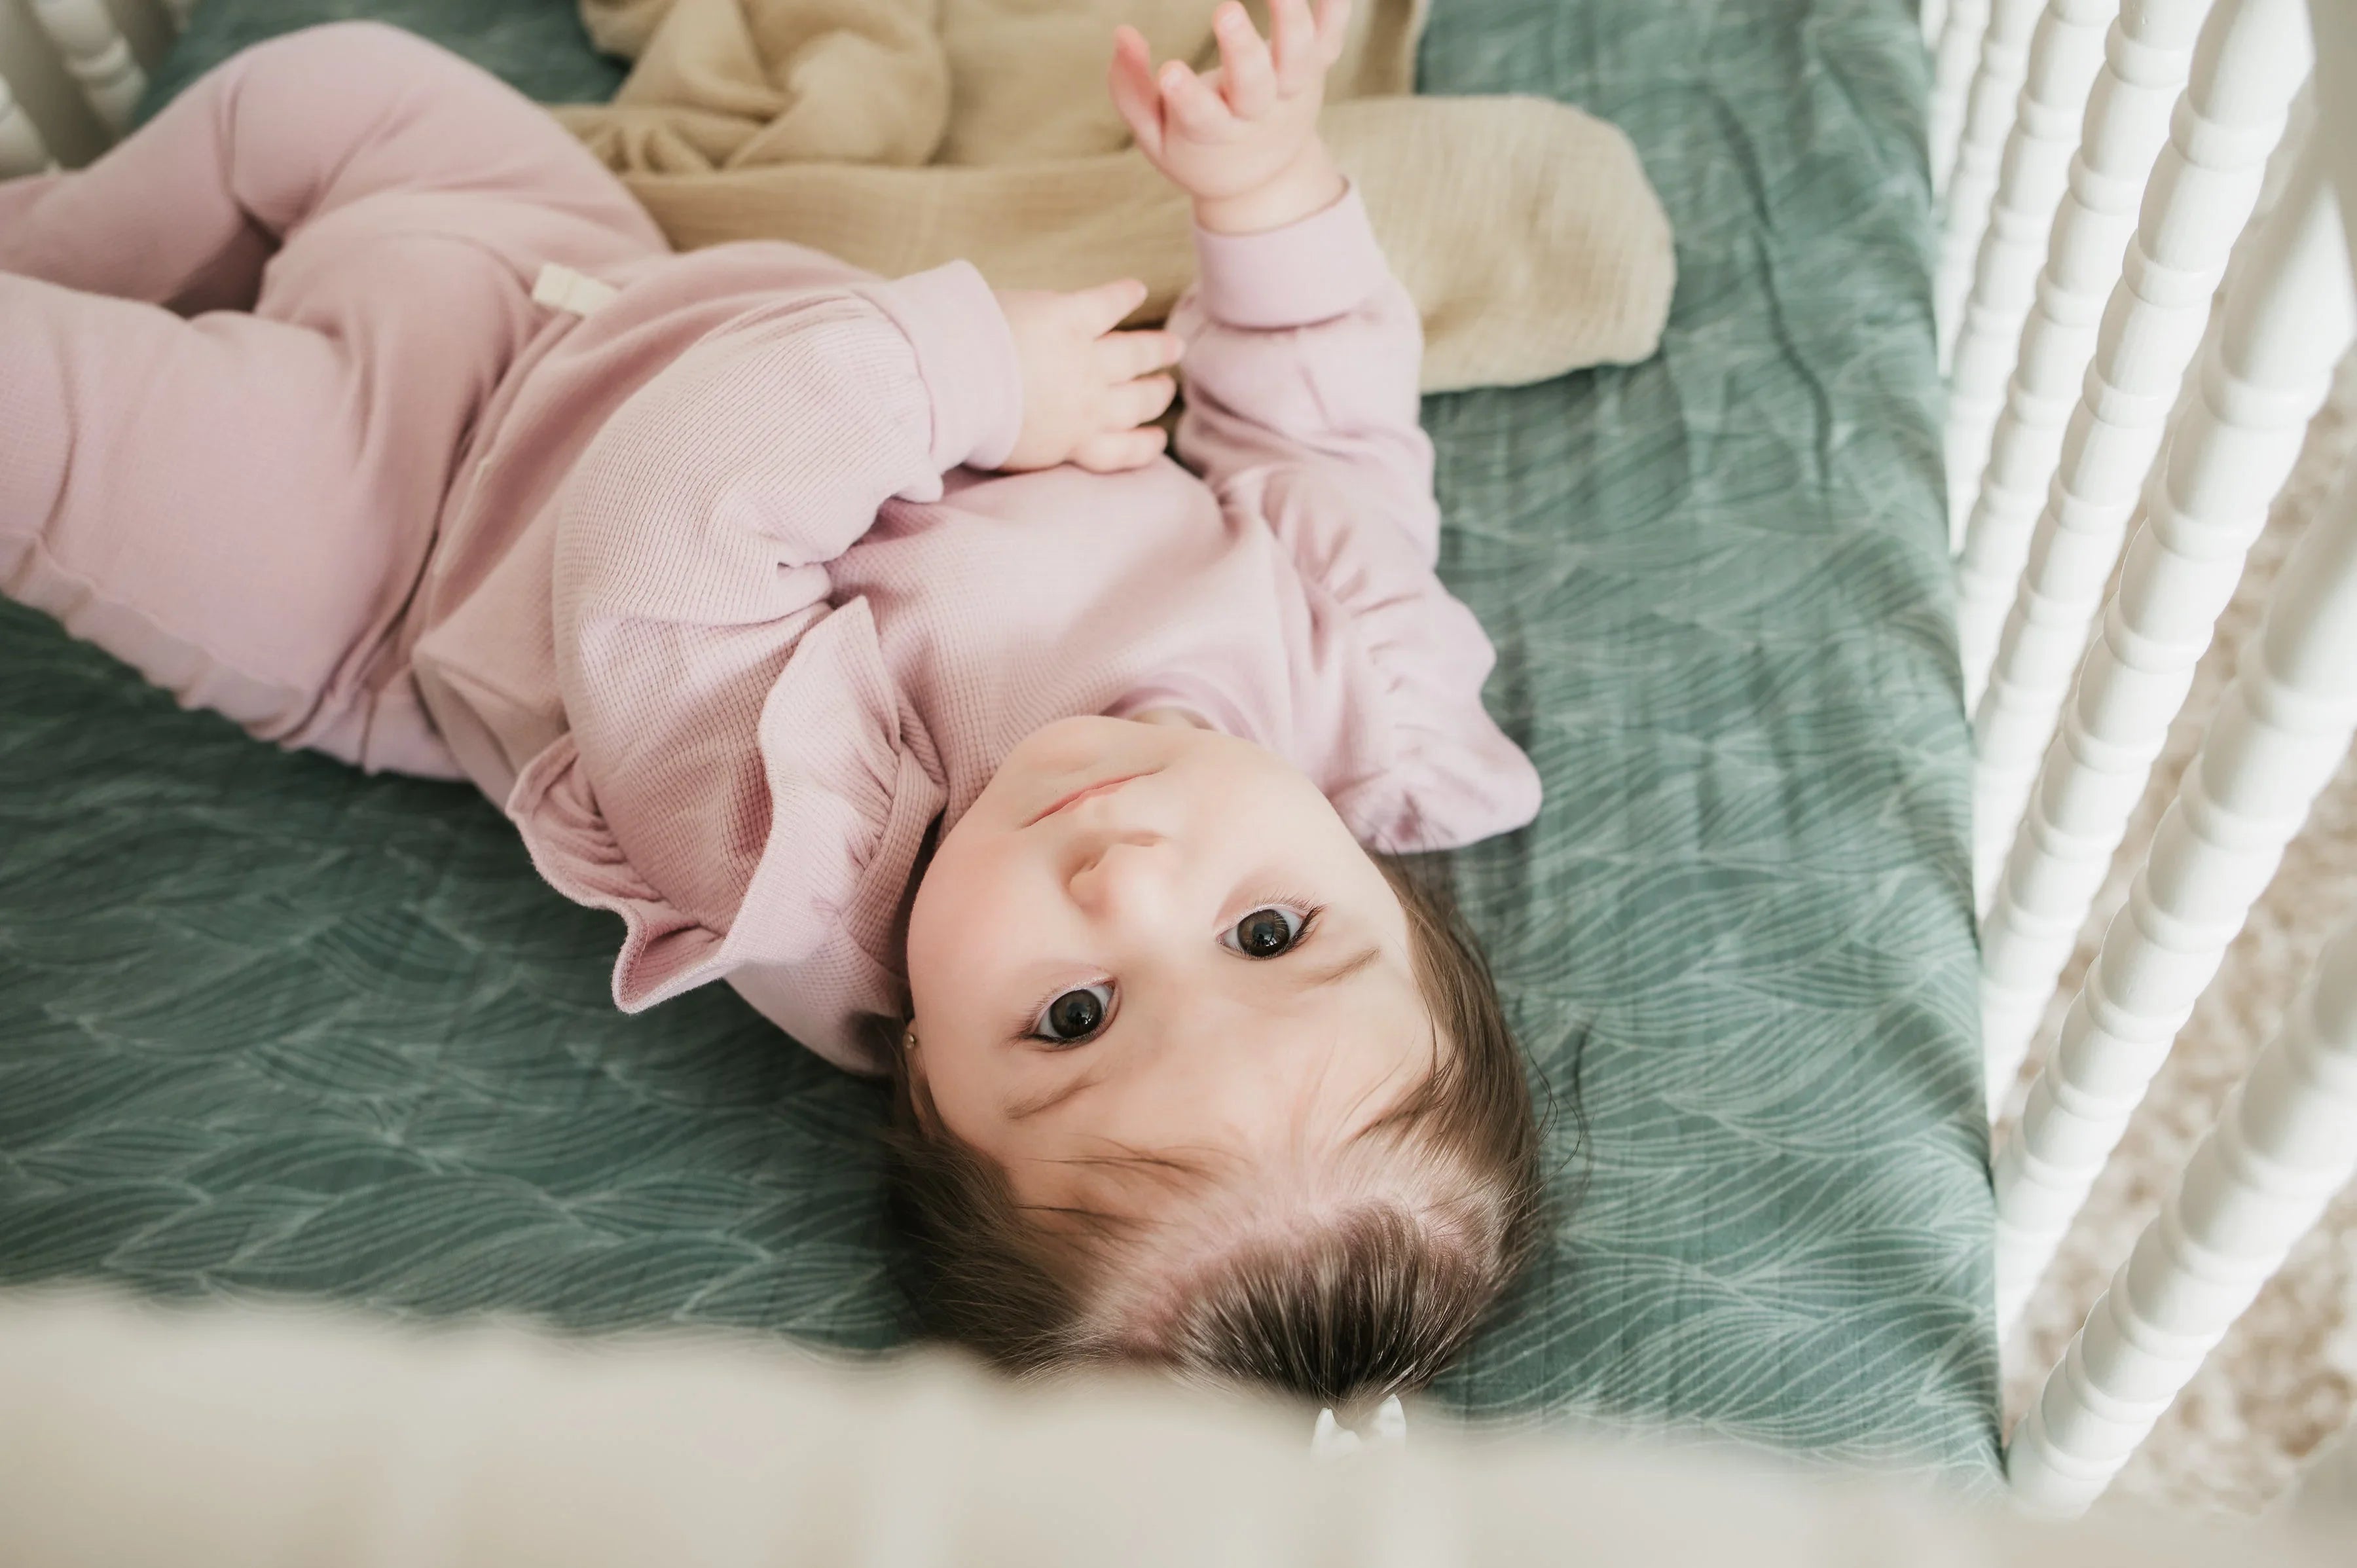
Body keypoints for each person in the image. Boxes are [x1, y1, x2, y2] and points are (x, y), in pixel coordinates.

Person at [0, 0, 1550, 1410]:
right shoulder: (1359, 680)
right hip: (588, 276)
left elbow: (660, 529)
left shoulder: (803, 863)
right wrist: (1262, 190)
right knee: (318, 89)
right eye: (1269, 936)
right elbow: (1327, 432)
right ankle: (50, 231)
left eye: (1074, 1016)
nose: (1128, 877)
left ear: (931, 1080)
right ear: (1390, 890)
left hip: (383, 530)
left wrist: (966, 377)